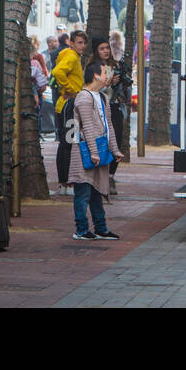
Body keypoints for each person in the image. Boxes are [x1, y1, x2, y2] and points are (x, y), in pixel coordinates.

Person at [67, 61, 122, 241]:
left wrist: (115, 150)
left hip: (99, 150)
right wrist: (93, 152)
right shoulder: (84, 97)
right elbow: (87, 127)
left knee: (97, 191)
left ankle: (101, 228)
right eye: (105, 73)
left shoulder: (103, 97)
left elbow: (108, 126)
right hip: (85, 152)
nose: (108, 76)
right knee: (83, 193)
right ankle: (81, 229)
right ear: (96, 76)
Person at [52, 30, 87, 195]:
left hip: (66, 104)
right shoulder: (72, 57)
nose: (83, 46)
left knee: (67, 143)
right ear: (71, 43)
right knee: (68, 143)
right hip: (69, 105)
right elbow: (57, 72)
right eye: (79, 42)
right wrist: (72, 89)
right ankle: (66, 183)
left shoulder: (73, 57)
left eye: (84, 43)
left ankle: (64, 183)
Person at [88, 35, 124, 195]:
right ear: (96, 51)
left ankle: (110, 176)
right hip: (99, 108)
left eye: (107, 48)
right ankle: (100, 179)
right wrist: (108, 83)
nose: (106, 51)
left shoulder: (114, 66)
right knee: (102, 141)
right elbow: (92, 88)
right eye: (102, 48)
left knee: (116, 140)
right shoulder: (93, 67)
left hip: (114, 107)